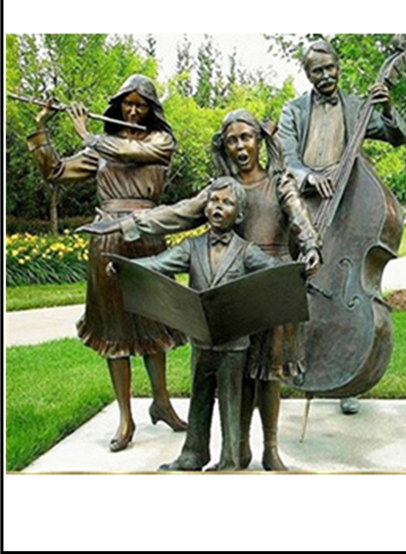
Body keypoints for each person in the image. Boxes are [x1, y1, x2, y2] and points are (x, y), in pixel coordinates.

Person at [80, 109, 321, 470]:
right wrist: (126, 224)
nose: (240, 146)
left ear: (259, 140)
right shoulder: (220, 190)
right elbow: (175, 214)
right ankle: (237, 451)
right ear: (224, 147)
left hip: (271, 283)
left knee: (269, 375)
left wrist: (312, 245)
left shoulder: (279, 182)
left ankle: (270, 449)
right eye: (232, 140)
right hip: (231, 290)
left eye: (246, 137)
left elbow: (300, 217)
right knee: (235, 373)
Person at [27, 74, 187, 452]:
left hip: (148, 235)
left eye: (141, 104)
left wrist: (88, 136)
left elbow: (131, 153)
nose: (132, 110)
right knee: (115, 329)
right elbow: (55, 172)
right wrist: (40, 128)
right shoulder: (101, 149)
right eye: (127, 103)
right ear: (118, 106)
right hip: (108, 239)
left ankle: (162, 403)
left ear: (151, 109)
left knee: (153, 324)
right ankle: (125, 417)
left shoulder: (160, 141)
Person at [278, 39, 406, 415]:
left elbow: (396, 136)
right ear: (307, 74)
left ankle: (348, 374)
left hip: (349, 202)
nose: (326, 76)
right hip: (306, 204)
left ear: (339, 66)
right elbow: (287, 157)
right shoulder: (293, 110)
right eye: (317, 71)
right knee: (300, 285)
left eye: (330, 68)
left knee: (344, 279)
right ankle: (293, 362)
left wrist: (387, 105)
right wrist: (307, 177)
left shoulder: (355, 105)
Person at [115, 177, 280, 471]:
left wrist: (299, 272)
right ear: (205, 208)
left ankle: (231, 460)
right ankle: (193, 454)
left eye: (227, 202)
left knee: (230, 402)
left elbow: (273, 271)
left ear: (239, 215)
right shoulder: (191, 247)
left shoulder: (246, 251)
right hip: (201, 340)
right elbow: (159, 263)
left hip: (233, 344)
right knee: (199, 399)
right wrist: (125, 267)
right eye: (214, 200)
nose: (218, 207)